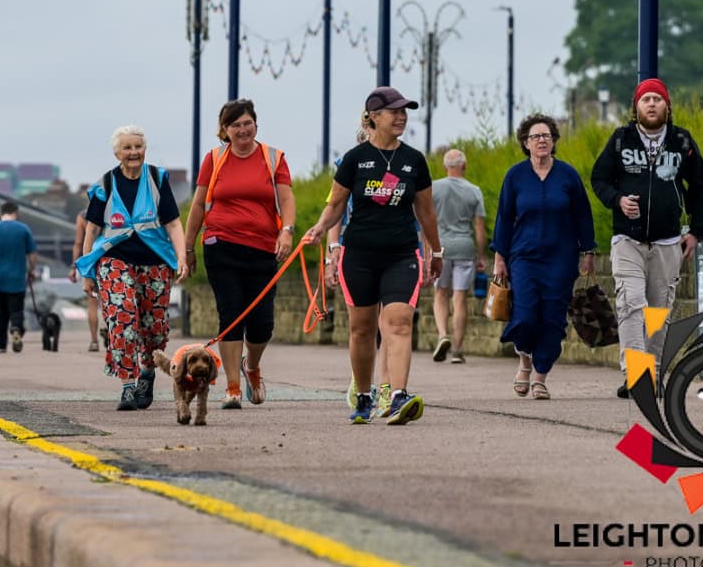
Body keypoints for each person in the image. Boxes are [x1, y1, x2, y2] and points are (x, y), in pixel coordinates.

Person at [309, 87, 439, 425]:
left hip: (401, 253)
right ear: (373, 117)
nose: (401, 116)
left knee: (398, 321)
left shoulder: (414, 160)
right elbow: (336, 205)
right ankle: (364, 396)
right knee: (362, 330)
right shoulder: (354, 160)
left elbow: (425, 212)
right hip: (360, 254)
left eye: (404, 111)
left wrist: (435, 251)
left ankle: (397, 395)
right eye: (394, 111)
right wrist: (321, 230)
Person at [589, 78, 703, 398]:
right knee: (631, 304)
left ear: (667, 106)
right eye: (645, 99)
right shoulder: (621, 139)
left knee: (658, 310)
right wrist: (617, 200)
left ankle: (654, 372)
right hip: (627, 240)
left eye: (658, 99)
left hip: (668, 241)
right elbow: (599, 178)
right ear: (636, 107)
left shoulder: (681, 141)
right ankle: (636, 374)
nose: (652, 104)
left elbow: (701, 188)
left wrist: (696, 232)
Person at [183, 98, 295, 411]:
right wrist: (188, 248)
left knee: (261, 325)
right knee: (230, 315)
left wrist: (287, 230)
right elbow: (197, 204)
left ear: (255, 124)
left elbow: (286, 199)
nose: (242, 129)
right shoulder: (215, 158)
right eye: (235, 125)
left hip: (263, 248)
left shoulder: (273, 158)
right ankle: (232, 386)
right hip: (221, 245)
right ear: (225, 130)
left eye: (247, 123)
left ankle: (252, 367)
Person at [77, 125, 188, 410]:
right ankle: (128, 384)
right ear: (117, 153)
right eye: (127, 148)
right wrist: (87, 272)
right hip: (114, 260)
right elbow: (92, 229)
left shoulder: (156, 178)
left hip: (155, 262)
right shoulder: (105, 184)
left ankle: (148, 372)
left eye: (137, 147)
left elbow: (173, 224)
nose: (133, 152)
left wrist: (182, 257)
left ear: (145, 149)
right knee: (123, 318)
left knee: (156, 329)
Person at [491, 114, 596, 400]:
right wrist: (499, 257)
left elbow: (582, 215)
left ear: (554, 141)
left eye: (547, 136)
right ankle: (524, 359)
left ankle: (539, 377)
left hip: (561, 259)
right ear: (525, 143)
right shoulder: (515, 176)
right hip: (523, 257)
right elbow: (504, 218)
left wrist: (588, 251)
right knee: (525, 316)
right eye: (536, 136)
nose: (542, 140)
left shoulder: (568, 175)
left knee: (552, 319)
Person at [429, 149, 487, 364]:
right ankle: (457, 349)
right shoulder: (474, 191)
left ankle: (442, 334)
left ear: (445, 166)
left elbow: (427, 222)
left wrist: (428, 251)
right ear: (464, 166)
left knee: (441, 294)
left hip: (440, 247)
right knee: (460, 298)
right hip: (464, 247)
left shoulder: (434, 188)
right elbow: (479, 228)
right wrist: (480, 255)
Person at [0, 200, 39, 353]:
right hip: (17, 278)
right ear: (16, 213)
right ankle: (16, 328)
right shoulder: (24, 229)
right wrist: (31, 270)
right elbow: (32, 254)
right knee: (16, 309)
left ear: (1, 213)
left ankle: (1, 344)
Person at [70, 209, 102, 353]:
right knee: (112, 301)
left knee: (92, 304)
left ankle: (94, 341)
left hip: (91, 261)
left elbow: (78, 243)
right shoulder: (109, 210)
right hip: (111, 259)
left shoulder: (82, 216)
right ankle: (112, 334)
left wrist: (74, 267)